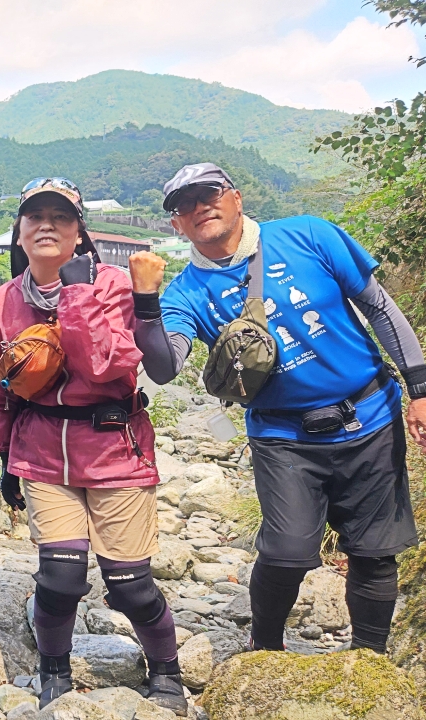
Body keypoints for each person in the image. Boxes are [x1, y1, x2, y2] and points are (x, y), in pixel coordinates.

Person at [130, 163, 426, 657]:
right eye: (184, 204)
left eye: (209, 193)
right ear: (175, 224)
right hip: (283, 437)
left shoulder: (309, 235)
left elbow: (380, 307)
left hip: (370, 416)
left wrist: (420, 389)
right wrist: (145, 302)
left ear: (237, 197)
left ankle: (369, 660)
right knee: (287, 553)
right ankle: (264, 652)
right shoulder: (186, 293)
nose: (200, 206)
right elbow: (164, 367)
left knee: (374, 553)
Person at [0, 178, 187, 714]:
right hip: (44, 454)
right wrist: (6, 458)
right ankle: (54, 668)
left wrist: (75, 294)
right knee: (61, 576)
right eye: (35, 217)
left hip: (115, 448)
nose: (47, 225)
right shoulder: (4, 302)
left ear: (80, 235)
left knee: (129, 585)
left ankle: (167, 671)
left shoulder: (114, 285)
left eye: (61, 218)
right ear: (19, 235)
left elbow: (107, 366)